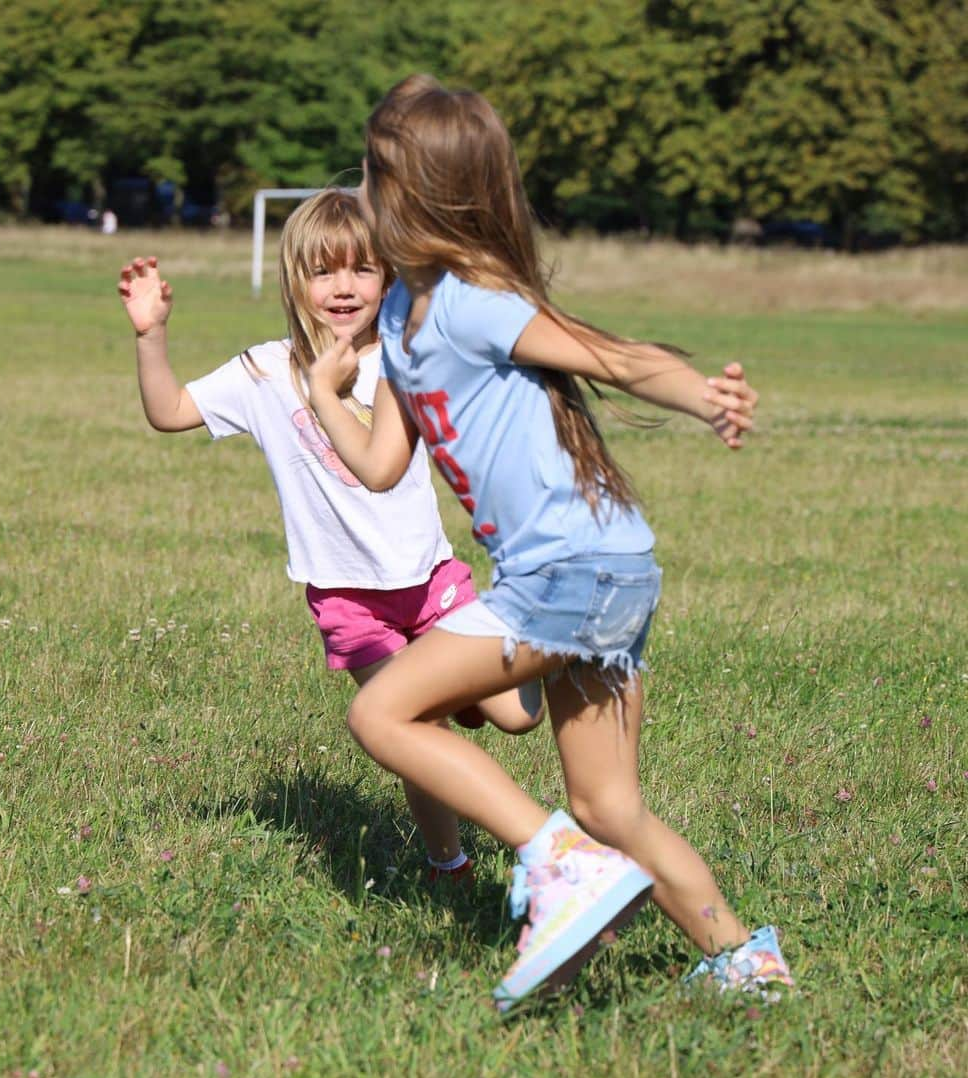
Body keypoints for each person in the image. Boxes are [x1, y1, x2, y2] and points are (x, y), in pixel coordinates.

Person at [307, 75, 794, 1011]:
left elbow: (606, 353)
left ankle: (556, 863)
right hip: (602, 572)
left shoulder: (470, 300)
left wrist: (702, 394)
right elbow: (379, 464)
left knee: (381, 715)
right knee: (611, 806)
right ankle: (746, 966)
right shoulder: (403, 317)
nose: (361, 187)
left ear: (412, 192)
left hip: (572, 573)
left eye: (373, 172)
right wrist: (328, 395)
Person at [117, 190, 542, 890]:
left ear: (389, 279)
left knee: (515, 717)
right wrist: (150, 334)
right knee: (416, 737)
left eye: (362, 270)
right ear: (294, 280)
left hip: (431, 581)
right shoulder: (263, 372)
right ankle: (451, 865)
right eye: (324, 271)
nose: (343, 287)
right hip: (352, 602)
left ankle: (488, 678)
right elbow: (168, 411)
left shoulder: (407, 363)